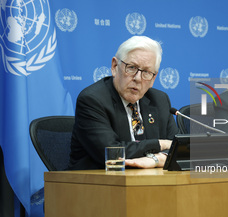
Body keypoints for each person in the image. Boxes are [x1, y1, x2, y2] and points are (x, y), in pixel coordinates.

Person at [68, 36, 179, 170]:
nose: (138, 78)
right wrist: (160, 144)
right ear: (115, 66)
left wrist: (156, 160)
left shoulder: (159, 100)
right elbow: (112, 153)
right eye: (131, 67)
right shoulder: (92, 100)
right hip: (97, 184)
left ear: (153, 78)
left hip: (147, 183)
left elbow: (178, 149)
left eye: (146, 72)